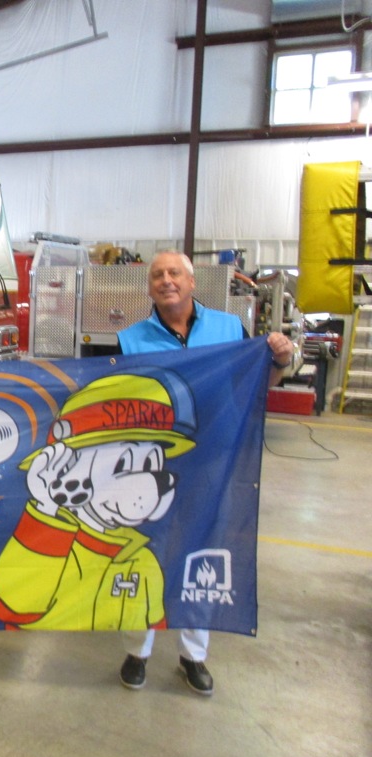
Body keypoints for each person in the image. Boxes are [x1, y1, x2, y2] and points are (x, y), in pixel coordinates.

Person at [115, 250, 293, 695]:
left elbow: (256, 384)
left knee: (204, 556)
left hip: (214, 462)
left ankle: (193, 656)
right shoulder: (130, 340)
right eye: (157, 275)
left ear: (192, 282)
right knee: (147, 554)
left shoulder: (229, 329)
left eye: (175, 273)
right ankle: (137, 651)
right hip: (156, 465)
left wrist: (279, 361)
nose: (166, 280)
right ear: (149, 287)